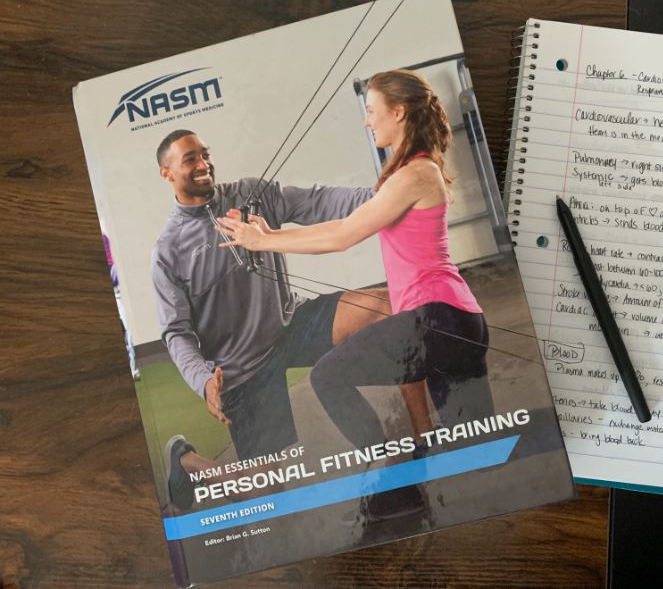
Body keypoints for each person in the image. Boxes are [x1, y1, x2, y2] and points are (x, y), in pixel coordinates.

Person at [216, 70, 495, 473]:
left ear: (398, 113)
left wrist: (260, 242)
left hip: (436, 319)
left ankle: (390, 467)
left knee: (328, 376)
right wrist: (271, 233)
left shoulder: (416, 174)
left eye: (371, 111)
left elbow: (344, 235)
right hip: (455, 323)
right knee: (479, 453)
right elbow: (341, 227)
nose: (367, 120)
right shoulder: (412, 172)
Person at [152, 128, 417, 509]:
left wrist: (383, 196)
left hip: (291, 324)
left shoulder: (248, 194)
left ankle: (398, 457)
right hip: (242, 368)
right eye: (190, 158)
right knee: (269, 493)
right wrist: (203, 381)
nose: (203, 164)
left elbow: (315, 202)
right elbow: (176, 333)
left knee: (389, 305)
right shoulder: (168, 251)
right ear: (167, 173)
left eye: (205, 154)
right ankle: (188, 462)